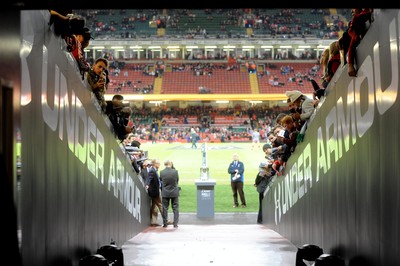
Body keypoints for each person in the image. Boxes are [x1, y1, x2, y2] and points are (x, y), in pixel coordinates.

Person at [145, 159, 165, 226]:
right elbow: (149, 178)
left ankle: (154, 221)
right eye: (158, 163)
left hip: (156, 190)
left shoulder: (154, 170)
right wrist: (147, 185)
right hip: (155, 191)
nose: (159, 165)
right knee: (161, 205)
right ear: (155, 164)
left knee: (154, 206)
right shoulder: (152, 171)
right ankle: (166, 219)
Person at [159, 159, 180, 228]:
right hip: (174, 192)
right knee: (175, 208)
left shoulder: (162, 172)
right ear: (171, 164)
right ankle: (175, 223)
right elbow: (177, 181)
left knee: (165, 208)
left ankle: (165, 223)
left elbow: (161, 180)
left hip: (165, 192)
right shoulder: (175, 172)